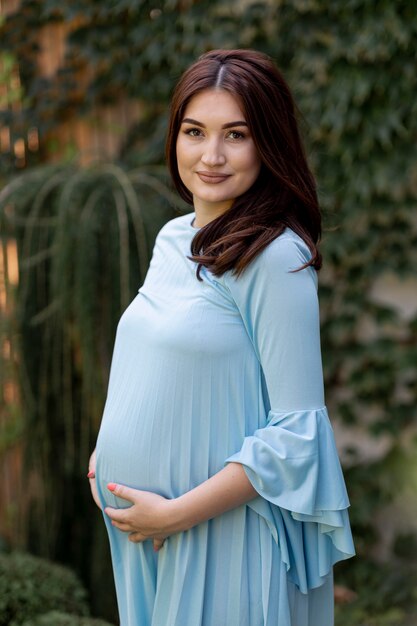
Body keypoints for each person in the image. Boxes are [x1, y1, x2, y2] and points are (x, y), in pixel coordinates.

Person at [88, 49, 355, 626]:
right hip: (149, 534)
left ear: (269, 142)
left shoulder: (275, 257)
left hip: (220, 535)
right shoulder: (172, 237)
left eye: (236, 134)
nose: (211, 156)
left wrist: (176, 514)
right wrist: (104, 459)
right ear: (174, 137)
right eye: (194, 131)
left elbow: (297, 435)